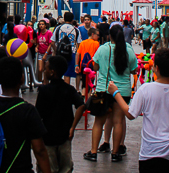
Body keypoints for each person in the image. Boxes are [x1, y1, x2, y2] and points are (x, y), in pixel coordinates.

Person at [35, 55, 85, 173]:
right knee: (65, 171)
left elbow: (37, 115)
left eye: (47, 67)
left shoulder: (44, 91)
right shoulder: (68, 89)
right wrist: (72, 126)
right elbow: (81, 105)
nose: (44, 69)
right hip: (65, 137)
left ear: (52, 72)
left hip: (47, 139)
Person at [84, 23, 138, 162]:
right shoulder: (129, 49)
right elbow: (133, 69)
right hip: (123, 91)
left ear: (109, 35)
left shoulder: (103, 49)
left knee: (99, 122)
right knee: (118, 121)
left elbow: (95, 67)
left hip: (104, 89)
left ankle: (94, 152)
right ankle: (115, 153)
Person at [52, 12, 81, 85]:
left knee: (58, 73)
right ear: (72, 19)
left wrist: (56, 51)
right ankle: (65, 91)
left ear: (64, 19)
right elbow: (78, 44)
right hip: (72, 53)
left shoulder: (58, 28)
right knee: (67, 74)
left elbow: (52, 42)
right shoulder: (76, 30)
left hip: (60, 53)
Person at [75, 26, 100, 93]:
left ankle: (83, 95)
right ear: (92, 34)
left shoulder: (83, 43)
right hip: (92, 66)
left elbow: (78, 54)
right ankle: (87, 99)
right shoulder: (96, 43)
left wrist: (76, 65)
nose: (98, 37)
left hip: (83, 66)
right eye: (97, 35)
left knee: (84, 83)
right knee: (90, 84)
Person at [35, 18, 53, 83]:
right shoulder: (38, 33)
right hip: (40, 53)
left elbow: (50, 44)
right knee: (40, 69)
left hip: (48, 53)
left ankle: (46, 83)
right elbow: (37, 43)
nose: (41, 26)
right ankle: (40, 82)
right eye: (40, 24)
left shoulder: (49, 33)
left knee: (46, 69)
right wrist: (36, 47)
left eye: (42, 24)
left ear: (45, 25)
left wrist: (46, 54)